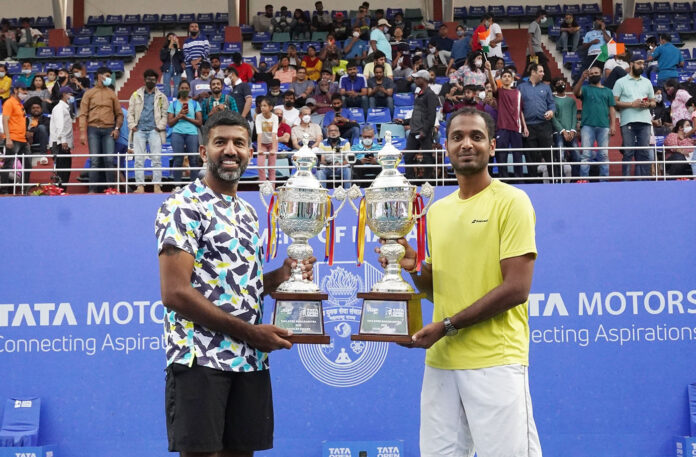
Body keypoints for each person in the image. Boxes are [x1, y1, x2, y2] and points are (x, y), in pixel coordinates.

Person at [156, 109, 314, 457]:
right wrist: (250, 332)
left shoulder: (247, 211)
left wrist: (284, 275)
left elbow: (247, 287)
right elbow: (175, 293)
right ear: (203, 152)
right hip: (200, 359)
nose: (231, 150)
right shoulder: (182, 206)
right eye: (220, 142)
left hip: (249, 359)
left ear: (250, 152)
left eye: (239, 143)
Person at [393, 106, 541, 457]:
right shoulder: (438, 211)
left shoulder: (512, 201)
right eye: (457, 137)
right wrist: (415, 268)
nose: (466, 144)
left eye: (476, 136)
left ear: (492, 147)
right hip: (442, 362)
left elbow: (516, 289)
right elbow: (435, 290)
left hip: (496, 360)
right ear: (445, 146)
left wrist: (446, 326)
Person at [78, 67, 123, 193]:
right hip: (93, 129)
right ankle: (92, 190)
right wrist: (82, 132)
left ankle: (111, 190)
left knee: (109, 160)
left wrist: (117, 129)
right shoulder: (89, 93)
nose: (109, 78)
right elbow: (83, 114)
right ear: (100, 76)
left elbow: (119, 114)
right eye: (107, 75)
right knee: (95, 160)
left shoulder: (112, 94)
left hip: (109, 130)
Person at [127, 69, 170, 193]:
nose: (151, 81)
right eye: (148, 78)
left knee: (156, 158)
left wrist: (159, 127)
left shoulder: (162, 97)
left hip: (154, 131)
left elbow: (165, 115)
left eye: (153, 79)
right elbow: (130, 113)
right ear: (144, 79)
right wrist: (132, 125)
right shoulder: (135, 95)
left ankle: (157, 186)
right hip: (139, 130)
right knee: (139, 159)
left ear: (156, 81)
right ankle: (140, 186)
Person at [613, 55, 655, 177]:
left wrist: (647, 104)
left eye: (643, 63)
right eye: (639, 63)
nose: (642, 66)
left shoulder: (647, 82)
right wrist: (632, 104)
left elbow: (653, 102)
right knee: (628, 153)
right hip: (628, 121)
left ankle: (645, 182)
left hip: (645, 121)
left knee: (645, 153)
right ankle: (625, 181)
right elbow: (614, 102)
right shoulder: (620, 82)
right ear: (631, 64)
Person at [486, 61, 528, 179]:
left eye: (509, 76)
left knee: (517, 155)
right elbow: (492, 84)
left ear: (513, 78)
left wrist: (525, 126)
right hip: (502, 127)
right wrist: (489, 70)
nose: (507, 78)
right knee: (501, 155)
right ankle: (503, 179)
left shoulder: (518, 93)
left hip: (516, 127)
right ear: (501, 79)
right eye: (504, 76)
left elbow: (520, 111)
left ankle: (519, 179)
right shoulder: (499, 91)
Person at [519, 63, 557, 182]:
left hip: (544, 125)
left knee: (549, 154)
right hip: (528, 127)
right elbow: (518, 107)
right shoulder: (521, 87)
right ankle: (533, 183)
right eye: (540, 71)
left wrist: (551, 111)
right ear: (533, 72)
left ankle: (554, 181)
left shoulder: (546, 87)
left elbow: (551, 103)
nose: (543, 74)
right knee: (531, 157)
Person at [399, 69, 438, 181]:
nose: (415, 80)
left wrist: (424, 131)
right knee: (408, 156)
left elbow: (431, 116)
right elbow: (418, 115)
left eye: (417, 78)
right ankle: (410, 180)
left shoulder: (430, 95)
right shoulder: (420, 94)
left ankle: (427, 181)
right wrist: (404, 122)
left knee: (427, 157)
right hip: (414, 131)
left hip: (423, 132)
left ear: (423, 79)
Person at [167, 80, 202, 184]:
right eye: (182, 88)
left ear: (190, 90)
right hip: (177, 133)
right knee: (178, 160)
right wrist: (179, 116)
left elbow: (199, 122)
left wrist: (186, 118)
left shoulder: (195, 104)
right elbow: (170, 123)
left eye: (186, 88)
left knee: (193, 160)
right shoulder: (173, 104)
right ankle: (177, 185)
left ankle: (194, 186)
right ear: (178, 89)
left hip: (192, 133)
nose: (184, 90)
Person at [2, 82, 31, 192]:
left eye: (26, 90)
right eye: (22, 90)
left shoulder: (20, 104)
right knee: (8, 165)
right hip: (13, 138)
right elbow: (5, 120)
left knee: (27, 165)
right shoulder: (9, 103)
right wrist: (8, 138)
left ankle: (24, 189)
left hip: (22, 139)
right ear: (15, 90)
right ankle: (4, 190)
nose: (25, 92)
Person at [550, 78, 577, 179]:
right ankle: (560, 179)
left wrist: (573, 130)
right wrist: (563, 131)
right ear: (554, 86)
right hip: (558, 132)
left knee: (577, 157)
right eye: (558, 83)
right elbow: (553, 118)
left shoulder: (571, 101)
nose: (560, 84)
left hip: (571, 133)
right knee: (560, 157)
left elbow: (574, 116)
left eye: (562, 83)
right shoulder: (552, 100)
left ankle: (575, 180)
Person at [49, 86, 75, 188]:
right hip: (60, 142)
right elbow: (60, 125)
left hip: (62, 142)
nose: (72, 96)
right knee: (62, 169)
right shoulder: (59, 108)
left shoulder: (64, 108)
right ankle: (60, 190)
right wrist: (63, 140)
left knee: (65, 168)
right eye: (70, 94)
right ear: (64, 94)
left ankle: (62, 189)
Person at [317, 123, 352, 188]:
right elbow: (322, 160)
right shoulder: (322, 143)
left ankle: (348, 191)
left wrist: (339, 163)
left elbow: (348, 159)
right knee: (320, 170)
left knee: (347, 169)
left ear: (339, 133)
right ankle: (322, 192)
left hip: (340, 166)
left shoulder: (345, 142)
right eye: (331, 131)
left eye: (335, 130)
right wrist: (330, 163)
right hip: (328, 166)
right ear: (327, 133)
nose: (333, 133)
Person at [255, 97, 279, 184]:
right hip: (262, 143)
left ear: (271, 107)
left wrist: (273, 148)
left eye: (265, 106)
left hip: (273, 142)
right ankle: (263, 188)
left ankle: (272, 190)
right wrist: (259, 148)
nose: (262, 108)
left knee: (271, 167)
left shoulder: (275, 117)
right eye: (261, 106)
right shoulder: (258, 117)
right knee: (260, 166)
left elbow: (274, 132)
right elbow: (259, 133)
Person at [527, 10, 551, 82]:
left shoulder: (536, 25)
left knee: (533, 69)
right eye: (545, 16)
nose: (545, 18)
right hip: (535, 52)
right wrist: (531, 51)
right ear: (541, 15)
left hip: (537, 51)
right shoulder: (533, 24)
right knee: (544, 71)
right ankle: (547, 84)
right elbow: (529, 38)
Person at [160, 32, 185, 99]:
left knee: (177, 85)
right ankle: (167, 99)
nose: (172, 39)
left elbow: (182, 59)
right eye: (170, 37)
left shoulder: (178, 49)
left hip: (176, 68)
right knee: (166, 84)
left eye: (173, 37)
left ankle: (176, 98)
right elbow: (163, 58)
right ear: (167, 39)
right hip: (167, 67)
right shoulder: (164, 49)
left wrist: (178, 45)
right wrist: (170, 46)